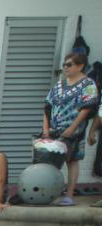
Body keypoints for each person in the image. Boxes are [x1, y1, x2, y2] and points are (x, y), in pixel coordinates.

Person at [43, 51, 99, 206]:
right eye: (64, 65)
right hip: (54, 128)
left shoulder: (88, 84)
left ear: (80, 66)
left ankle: (69, 194)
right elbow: (47, 106)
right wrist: (45, 127)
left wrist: (73, 127)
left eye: (69, 64)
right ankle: (48, 191)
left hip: (75, 130)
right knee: (48, 160)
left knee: (72, 160)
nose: (65, 68)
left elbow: (87, 108)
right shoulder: (60, 84)